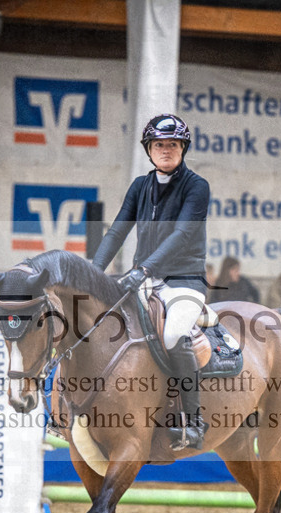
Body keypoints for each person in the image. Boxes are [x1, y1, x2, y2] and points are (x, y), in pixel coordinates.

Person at [92, 114, 210, 451]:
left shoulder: (197, 187)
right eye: (159, 144)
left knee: (173, 334)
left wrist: (143, 269)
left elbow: (183, 234)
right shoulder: (140, 187)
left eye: (172, 144)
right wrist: (93, 272)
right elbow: (117, 231)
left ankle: (194, 421)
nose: (166, 150)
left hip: (184, 281)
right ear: (149, 149)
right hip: (142, 278)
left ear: (183, 148)